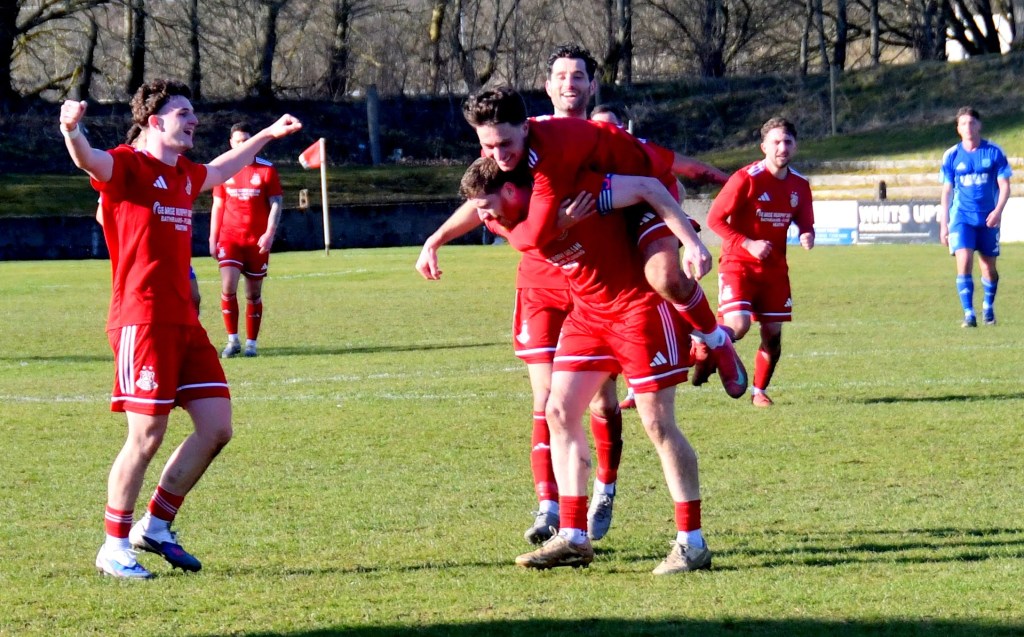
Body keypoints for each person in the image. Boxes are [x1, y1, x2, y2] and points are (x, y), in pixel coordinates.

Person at [60, 79, 302, 579]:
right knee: (146, 435)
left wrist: (266, 135)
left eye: (193, 112)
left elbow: (221, 169)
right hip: (142, 320)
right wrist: (71, 130)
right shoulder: (129, 165)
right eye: (182, 113)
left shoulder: (185, 174)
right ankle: (113, 546)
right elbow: (89, 160)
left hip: (185, 324)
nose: (193, 120)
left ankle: (155, 525)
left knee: (216, 427)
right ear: (154, 122)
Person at [461, 157, 714, 574]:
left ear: (510, 190)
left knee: (658, 424)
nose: (483, 218)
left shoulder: (577, 192)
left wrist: (689, 241)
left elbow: (652, 187)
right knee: (558, 411)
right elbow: (528, 239)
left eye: (486, 206)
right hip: (589, 316)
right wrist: (558, 224)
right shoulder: (509, 220)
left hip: (638, 310)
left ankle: (692, 542)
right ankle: (574, 536)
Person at [705, 117, 814, 408]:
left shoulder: (800, 185)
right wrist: (748, 243)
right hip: (738, 264)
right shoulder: (746, 178)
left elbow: (805, 221)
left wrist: (807, 233)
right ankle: (706, 348)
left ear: (795, 146)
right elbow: (714, 219)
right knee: (739, 325)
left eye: (787, 142)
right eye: (776, 142)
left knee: (773, 337)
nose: (782, 147)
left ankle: (758, 391)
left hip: (774, 271)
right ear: (763, 146)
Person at [96, 125, 202, 316]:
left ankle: (188, 326)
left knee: (193, 297)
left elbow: (215, 172)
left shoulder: (173, 168)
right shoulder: (126, 170)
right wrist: (132, 230)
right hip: (145, 255)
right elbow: (101, 213)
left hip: (174, 250)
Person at [209, 122, 285, 358]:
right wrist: (213, 238)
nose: (243, 145)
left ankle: (251, 344)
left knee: (253, 293)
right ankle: (232, 340)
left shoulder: (266, 170)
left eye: (246, 141)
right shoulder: (223, 169)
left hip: (256, 241)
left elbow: (276, 203)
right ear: (231, 143)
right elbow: (218, 205)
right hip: (230, 238)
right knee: (228, 286)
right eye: (238, 141)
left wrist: (269, 232)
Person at [938, 106, 1011, 328]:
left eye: (971, 122)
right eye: (963, 123)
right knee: (964, 262)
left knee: (988, 268)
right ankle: (969, 314)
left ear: (979, 125)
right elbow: (947, 191)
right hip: (961, 218)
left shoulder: (994, 152)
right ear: (958, 128)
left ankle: (988, 307)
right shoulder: (951, 155)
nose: (968, 127)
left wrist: (998, 211)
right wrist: (944, 224)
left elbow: (1005, 186)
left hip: (988, 219)